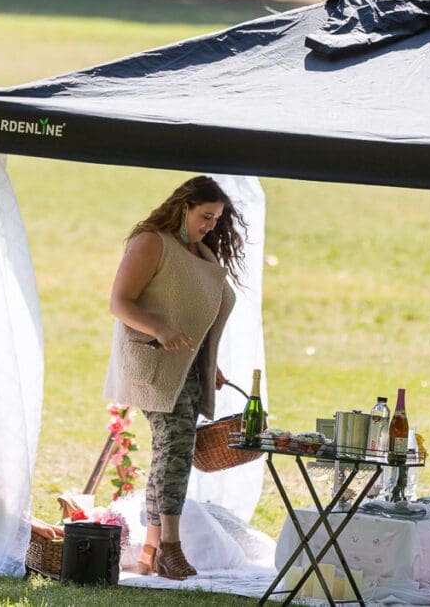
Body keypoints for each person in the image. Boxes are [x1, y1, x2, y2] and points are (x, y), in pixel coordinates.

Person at [105, 175, 246, 580]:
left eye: (216, 219)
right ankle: (170, 547)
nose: (211, 226)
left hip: (185, 367)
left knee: (170, 453)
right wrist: (160, 331)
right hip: (153, 365)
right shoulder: (152, 242)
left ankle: (151, 550)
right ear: (184, 206)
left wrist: (208, 364)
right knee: (177, 451)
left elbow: (194, 314)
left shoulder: (198, 249)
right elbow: (120, 301)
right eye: (206, 216)